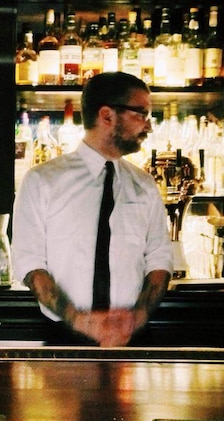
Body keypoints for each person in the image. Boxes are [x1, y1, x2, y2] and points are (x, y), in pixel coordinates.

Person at [12, 72, 174, 347]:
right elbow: (30, 262)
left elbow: (159, 258)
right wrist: (81, 321)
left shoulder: (144, 184)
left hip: (132, 337)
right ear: (107, 115)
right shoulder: (43, 180)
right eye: (141, 114)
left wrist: (137, 318)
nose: (148, 127)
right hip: (64, 337)